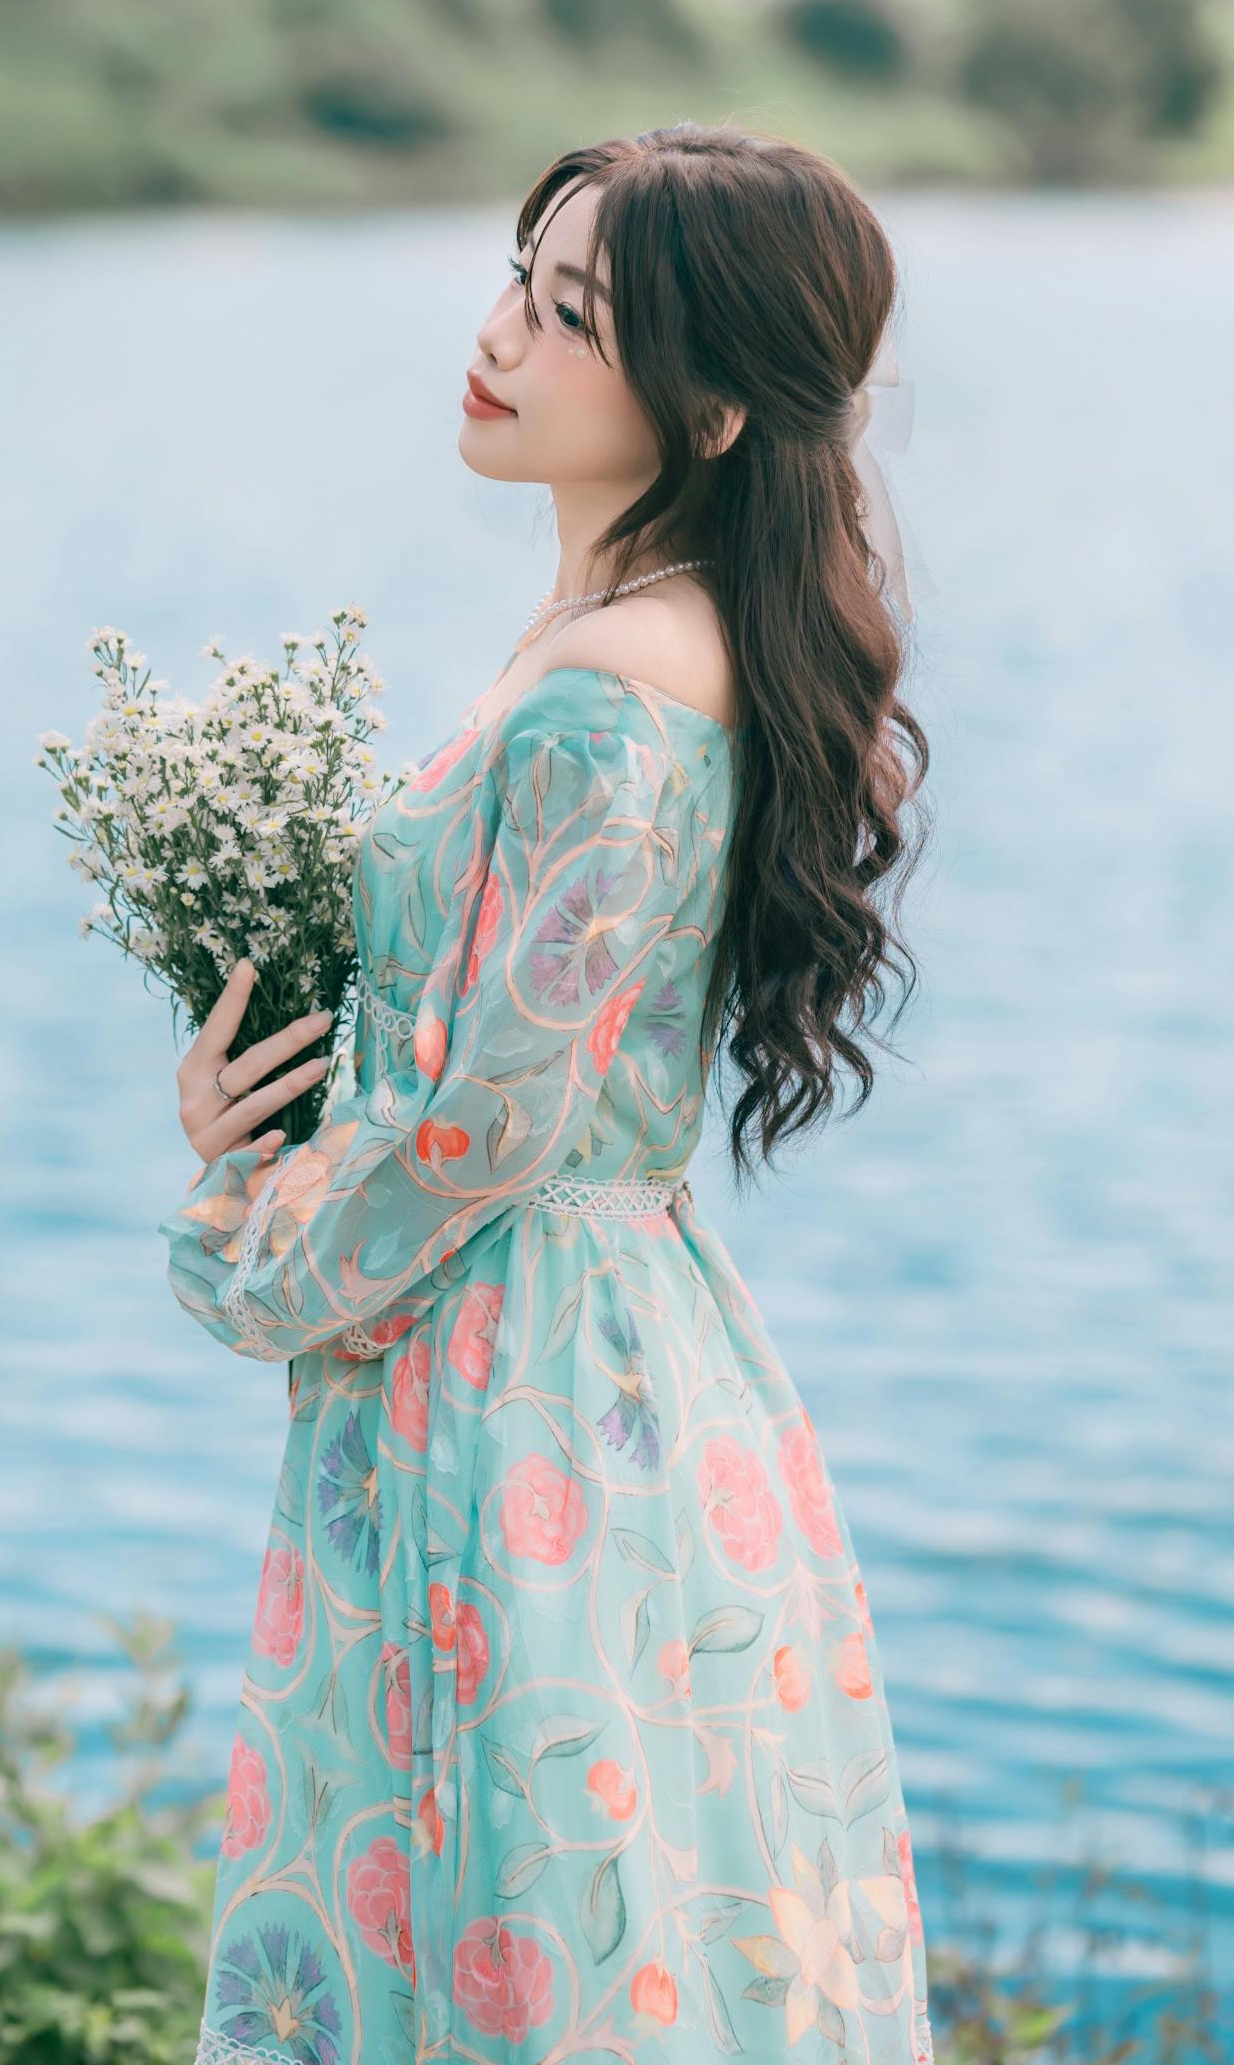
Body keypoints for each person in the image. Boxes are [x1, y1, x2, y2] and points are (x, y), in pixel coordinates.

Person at [157, 120, 935, 2065]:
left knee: (495, 1921)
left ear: (711, 408)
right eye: (521, 276)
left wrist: (246, 1242)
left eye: (569, 312)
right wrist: (261, 1091)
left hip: (510, 1386)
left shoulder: (609, 685)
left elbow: (489, 1126)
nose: (500, 333)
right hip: (600, 1352)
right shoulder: (653, 645)